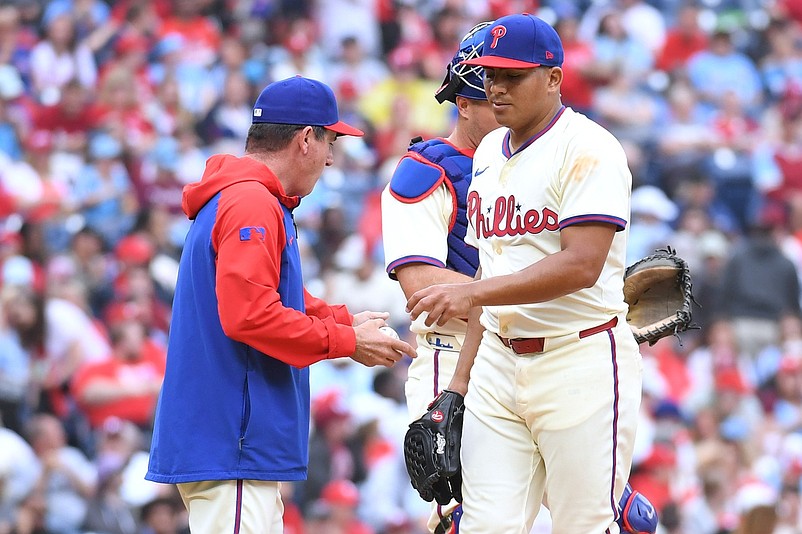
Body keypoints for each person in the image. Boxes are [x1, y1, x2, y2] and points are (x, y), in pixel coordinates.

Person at [386, 17, 657, 534]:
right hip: (496, 364)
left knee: (588, 524)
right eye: (490, 75)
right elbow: (493, 270)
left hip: (577, 358)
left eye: (513, 76)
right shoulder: (488, 152)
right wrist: (458, 387)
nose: (497, 88)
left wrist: (477, 293)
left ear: (553, 78)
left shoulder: (589, 148)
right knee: (481, 525)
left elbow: (581, 264)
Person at [145, 75, 416, 534]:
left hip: (239, 442)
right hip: (232, 440)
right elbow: (249, 314)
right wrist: (345, 341)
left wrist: (342, 319)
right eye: (330, 141)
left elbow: (273, 297)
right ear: (306, 139)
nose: (332, 157)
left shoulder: (248, 197)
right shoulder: (251, 201)